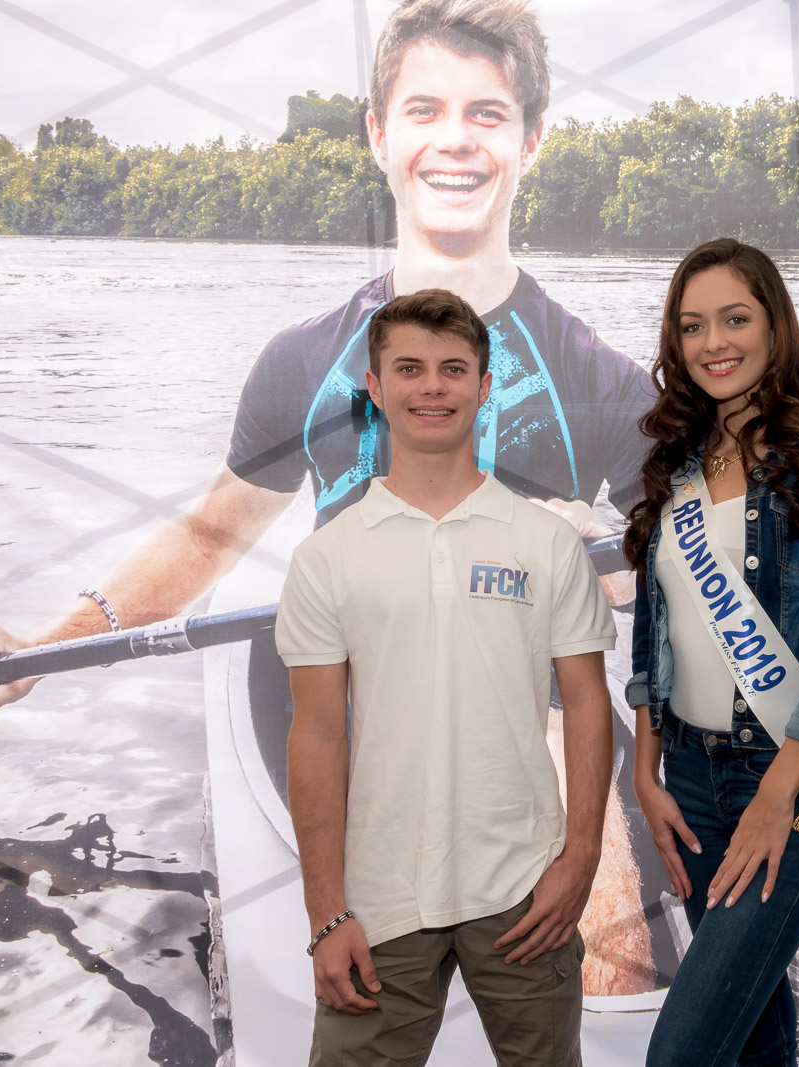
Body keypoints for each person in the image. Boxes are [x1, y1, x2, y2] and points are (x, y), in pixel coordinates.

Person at [0, 0, 656, 995]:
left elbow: (700, 559)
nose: (454, 139)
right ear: (379, 134)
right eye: (424, 109)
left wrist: (594, 559)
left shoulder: (600, 379)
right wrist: (44, 647)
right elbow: (204, 543)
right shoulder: (303, 363)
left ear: (529, 140)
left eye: (487, 115)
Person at [279, 288, 612, 1066]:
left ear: (484, 385)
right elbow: (320, 734)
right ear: (375, 385)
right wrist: (326, 910)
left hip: (526, 890)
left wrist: (582, 855)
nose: (433, 387)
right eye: (411, 369)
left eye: (454, 369)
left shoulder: (545, 542)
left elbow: (589, 702)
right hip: (378, 898)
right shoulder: (328, 558)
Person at [621, 239, 799, 1067]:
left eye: (735, 318)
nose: (714, 342)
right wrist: (645, 767)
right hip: (691, 786)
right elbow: (654, 622)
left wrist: (777, 795)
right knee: (757, 1034)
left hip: (794, 786)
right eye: (693, 325)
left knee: (684, 1051)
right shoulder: (676, 465)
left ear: (775, 328)